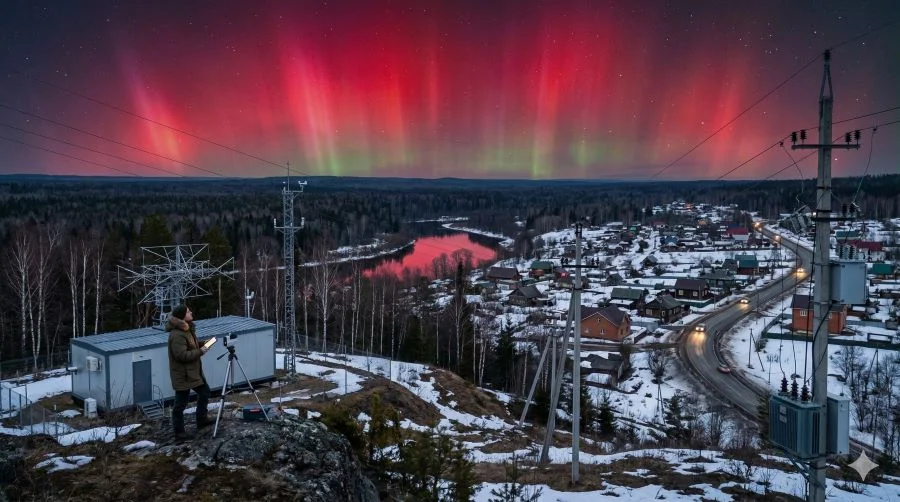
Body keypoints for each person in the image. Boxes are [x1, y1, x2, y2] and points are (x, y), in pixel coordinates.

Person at [167, 304, 213, 439]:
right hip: (183, 374)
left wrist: (203, 344)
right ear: (182, 316)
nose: (191, 312)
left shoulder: (187, 329)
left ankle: (202, 420)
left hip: (193, 372)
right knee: (180, 404)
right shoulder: (177, 335)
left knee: (205, 392)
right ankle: (179, 433)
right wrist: (201, 351)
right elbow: (181, 355)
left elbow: (190, 346)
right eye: (188, 311)